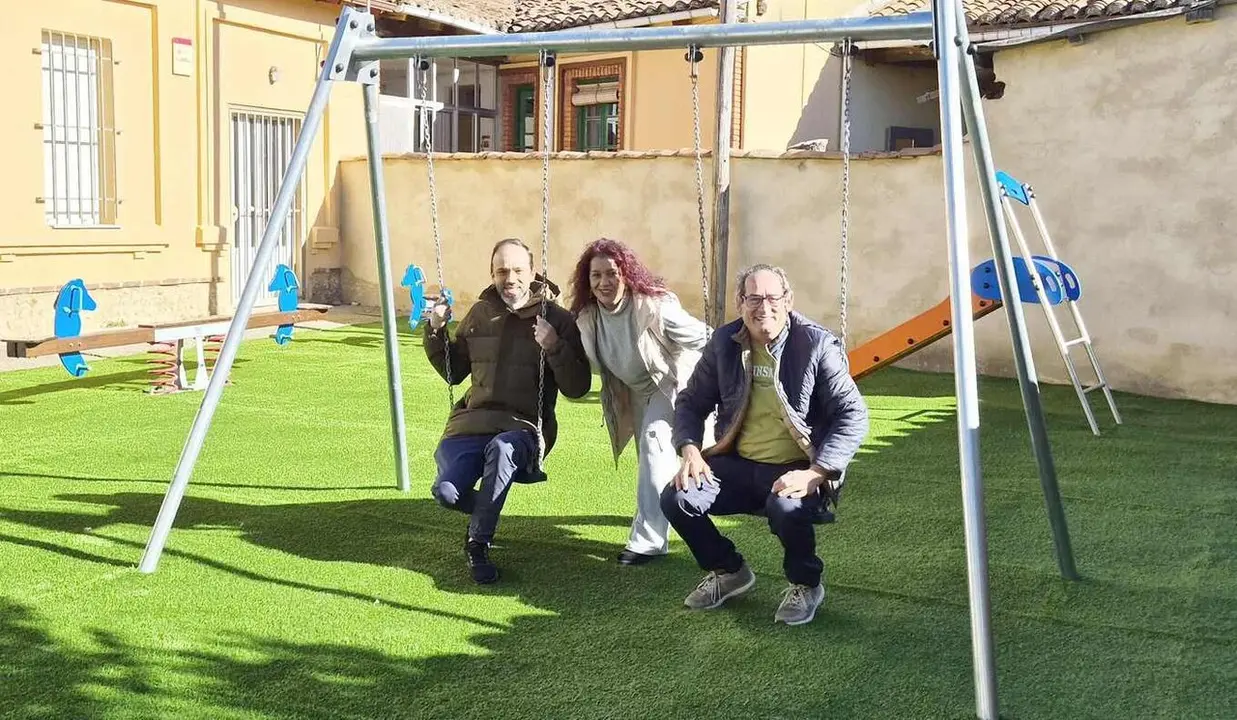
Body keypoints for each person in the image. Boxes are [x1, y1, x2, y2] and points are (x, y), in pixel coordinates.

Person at [661, 263, 870, 626]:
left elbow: (853, 414)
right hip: (739, 463)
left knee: (787, 509)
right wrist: (690, 448)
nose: (764, 307)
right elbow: (691, 401)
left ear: (788, 301)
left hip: (798, 467)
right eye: (754, 298)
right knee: (676, 497)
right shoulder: (724, 343)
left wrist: (815, 473)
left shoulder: (816, 344)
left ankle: (806, 584)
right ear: (741, 303)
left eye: (773, 298)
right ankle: (729, 571)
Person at [424, 237, 592, 584]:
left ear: (532, 273)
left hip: (523, 427)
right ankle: (489, 507)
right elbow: (455, 373)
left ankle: (477, 543)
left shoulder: (556, 320)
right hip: (471, 424)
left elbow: (578, 387)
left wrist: (554, 346)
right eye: (502, 271)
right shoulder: (480, 314)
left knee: (503, 450)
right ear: (492, 273)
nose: (510, 278)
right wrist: (436, 330)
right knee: (446, 493)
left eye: (517, 270)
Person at [569, 238, 712, 566]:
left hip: (668, 383)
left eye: (612, 273)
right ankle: (670, 506)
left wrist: (716, 378)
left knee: (653, 444)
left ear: (626, 274)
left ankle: (648, 541)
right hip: (631, 390)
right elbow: (572, 349)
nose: (605, 282)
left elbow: (706, 336)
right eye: (596, 276)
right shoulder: (588, 317)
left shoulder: (654, 308)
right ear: (587, 282)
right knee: (652, 460)